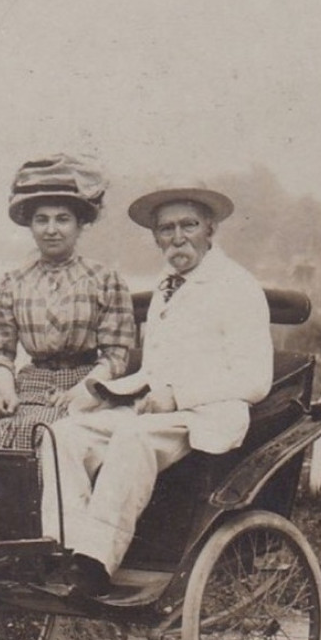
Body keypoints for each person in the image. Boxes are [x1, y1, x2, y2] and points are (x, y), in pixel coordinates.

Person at [50, 185, 273, 597]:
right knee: (65, 434)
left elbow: (255, 378)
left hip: (207, 413)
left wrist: (177, 396)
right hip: (159, 409)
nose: (177, 237)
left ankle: (95, 563)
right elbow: (156, 368)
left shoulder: (236, 287)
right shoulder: (169, 285)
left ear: (210, 230)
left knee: (133, 438)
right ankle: (64, 549)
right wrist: (105, 392)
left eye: (188, 225)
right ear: (155, 238)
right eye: (166, 229)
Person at [0, 155, 136, 451]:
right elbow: (0, 352)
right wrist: (5, 389)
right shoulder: (11, 282)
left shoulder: (105, 279)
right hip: (29, 387)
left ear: (79, 224)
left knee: (55, 446)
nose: (51, 230)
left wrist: (84, 390)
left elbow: (116, 355)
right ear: (30, 226)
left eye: (62, 219)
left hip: (89, 386)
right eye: (41, 220)